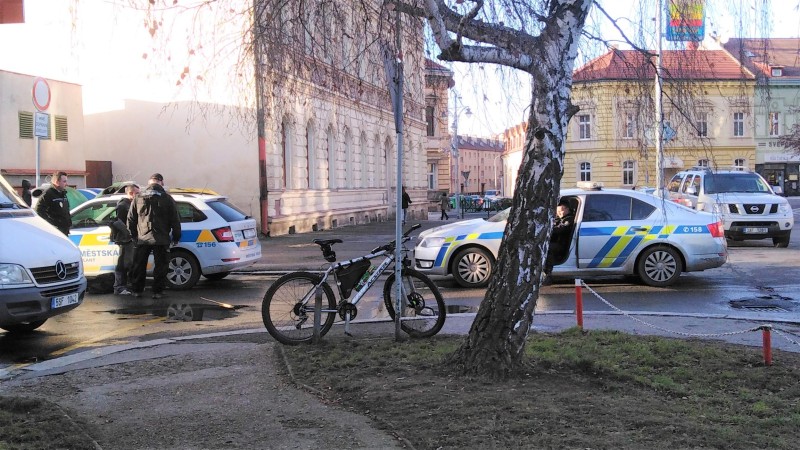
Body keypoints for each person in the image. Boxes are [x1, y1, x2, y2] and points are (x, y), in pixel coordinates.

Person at [127, 173, 181, 300]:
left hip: (142, 239)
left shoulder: (138, 197)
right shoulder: (167, 198)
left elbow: (130, 219)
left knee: (139, 265)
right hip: (161, 239)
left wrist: (134, 236)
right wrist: (176, 237)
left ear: (149, 183)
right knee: (161, 266)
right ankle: (157, 292)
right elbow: (175, 220)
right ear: (161, 182)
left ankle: (137, 291)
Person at [110, 184, 139, 296]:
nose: (139, 195)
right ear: (131, 193)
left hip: (130, 238)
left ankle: (126, 286)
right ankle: (119, 287)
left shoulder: (130, 204)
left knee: (129, 263)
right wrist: (130, 235)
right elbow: (122, 224)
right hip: (125, 239)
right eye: (137, 193)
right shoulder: (123, 206)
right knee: (123, 263)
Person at [543, 202, 575, 286]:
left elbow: (559, 230)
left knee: (548, 249)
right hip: (558, 243)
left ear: (567, 209)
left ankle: (548, 275)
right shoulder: (559, 219)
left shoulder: (569, 219)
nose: (559, 213)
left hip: (563, 245)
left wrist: (546, 229)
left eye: (561, 211)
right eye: (558, 211)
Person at [35, 171, 71, 235]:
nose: (66, 184)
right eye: (64, 181)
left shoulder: (63, 193)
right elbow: (39, 211)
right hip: (56, 231)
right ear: (57, 182)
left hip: (64, 230)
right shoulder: (48, 194)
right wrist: (52, 224)